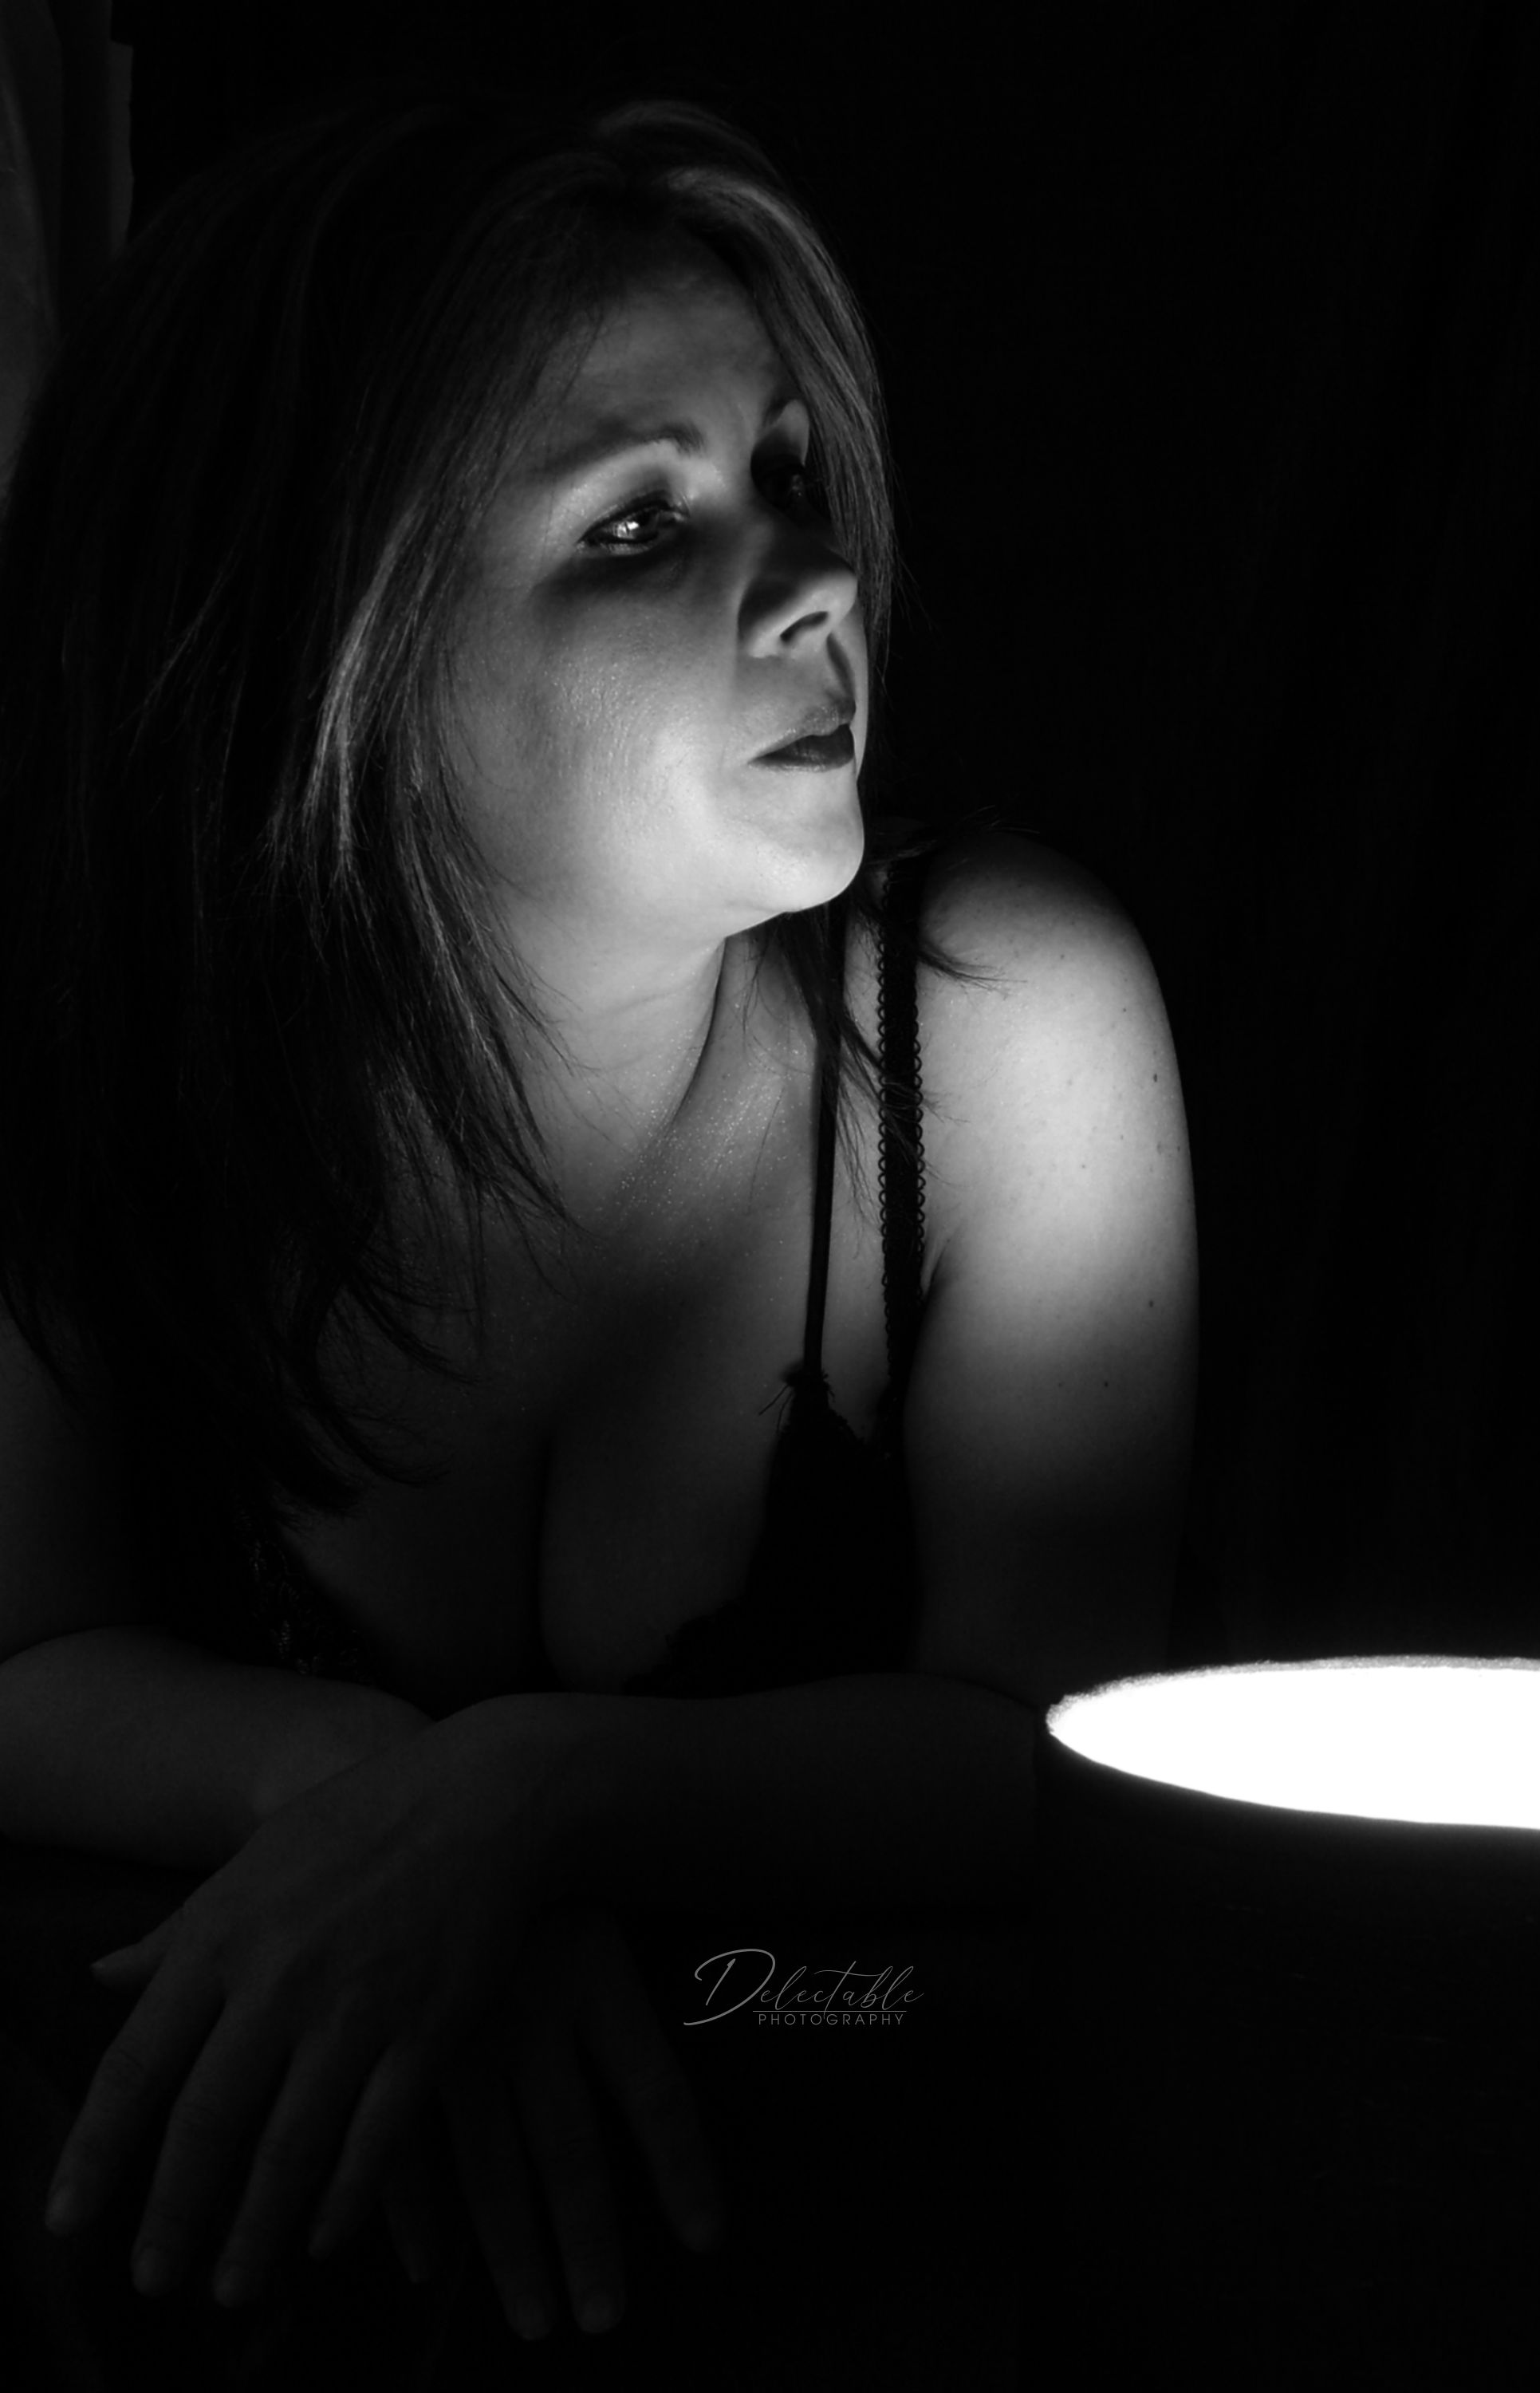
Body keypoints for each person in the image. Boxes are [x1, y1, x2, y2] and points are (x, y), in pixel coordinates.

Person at [0, 75, 1197, 2383]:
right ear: (324, 642)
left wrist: (528, 1807)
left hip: (844, 2176)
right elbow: (13, 1657)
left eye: (794, 474)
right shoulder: (91, 1067)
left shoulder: (1000, 1028)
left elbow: (1052, 1747)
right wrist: (347, 1802)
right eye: (640, 524)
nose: (820, 577)